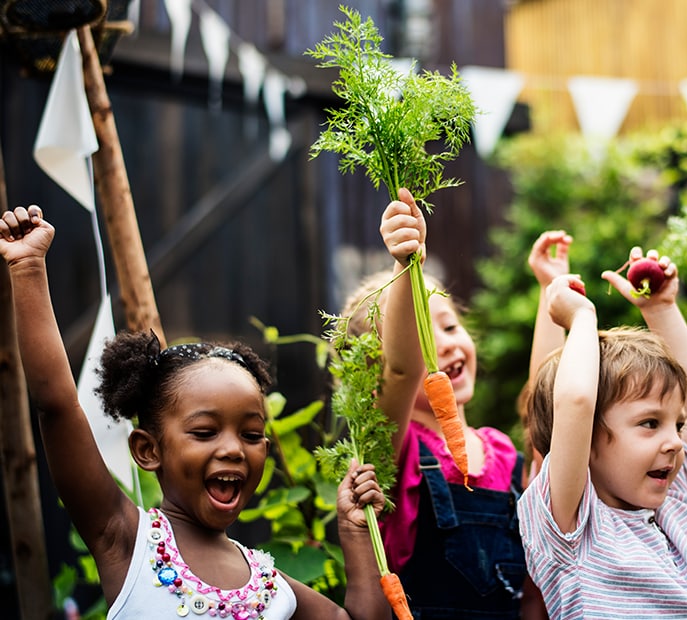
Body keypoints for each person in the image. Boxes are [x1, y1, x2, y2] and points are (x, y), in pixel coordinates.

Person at [0, 204, 391, 620]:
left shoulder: (273, 587)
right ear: (149, 450)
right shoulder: (126, 541)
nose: (233, 449)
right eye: (205, 432)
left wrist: (354, 533)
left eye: (252, 434)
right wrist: (27, 267)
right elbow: (57, 406)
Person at [344, 188, 541, 618]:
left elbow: (549, 415)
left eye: (450, 325)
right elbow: (402, 369)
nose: (445, 347)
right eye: (424, 337)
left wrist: (548, 291)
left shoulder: (503, 451)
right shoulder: (396, 448)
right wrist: (406, 266)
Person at [518, 246, 687, 618]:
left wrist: (661, 309)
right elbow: (577, 401)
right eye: (650, 423)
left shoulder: (675, 506)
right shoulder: (572, 529)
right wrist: (582, 317)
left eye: (676, 425)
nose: (676, 442)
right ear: (585, 440)